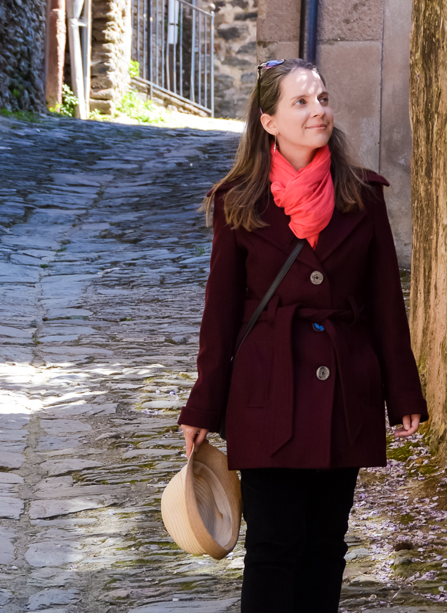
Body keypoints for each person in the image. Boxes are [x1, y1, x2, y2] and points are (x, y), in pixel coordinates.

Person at [177, 57, 427, 613]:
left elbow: (386, 303)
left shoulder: (363, 195)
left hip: (344, 390)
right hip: (267, 390)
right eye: (302, 102)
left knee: (325, 545)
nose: (320, 111)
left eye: (322, 99)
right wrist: (202, 406)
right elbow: (219, 315)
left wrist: (402, 392)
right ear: (269, 121)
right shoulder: (238, 201)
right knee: (273, 544)